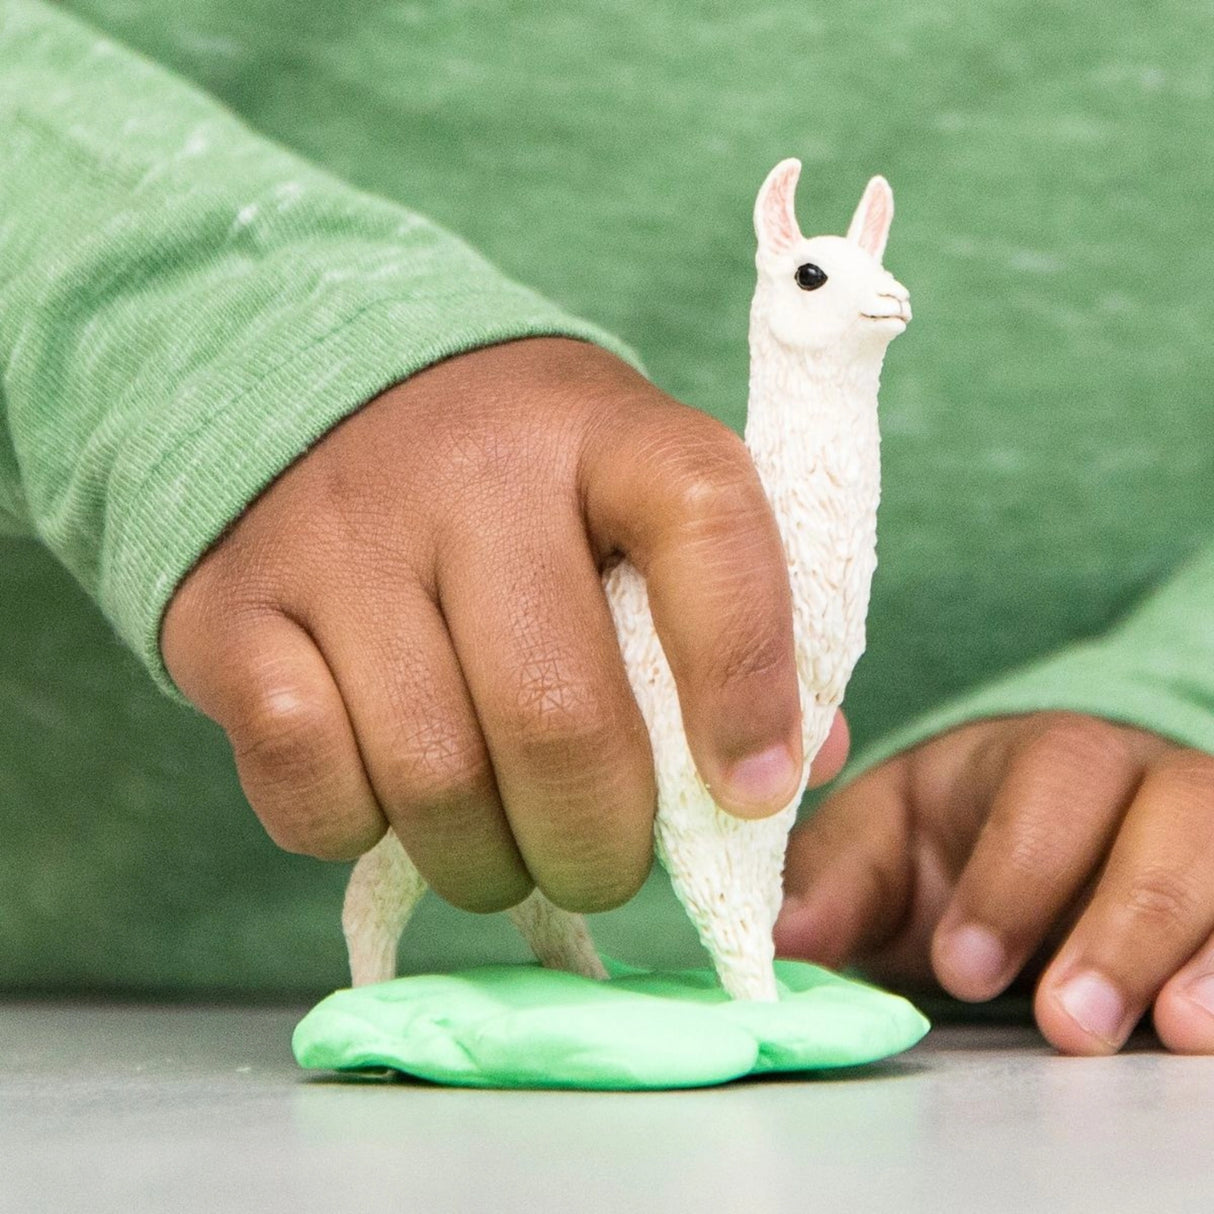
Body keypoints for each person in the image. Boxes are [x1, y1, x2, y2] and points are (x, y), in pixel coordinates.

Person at [2, 0, 1211, 1056]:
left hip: (1040, 1026)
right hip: (104, 1017)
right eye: (819, 277)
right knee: (438, 835)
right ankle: (426, 961)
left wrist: (1186, 684)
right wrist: (250, 353)